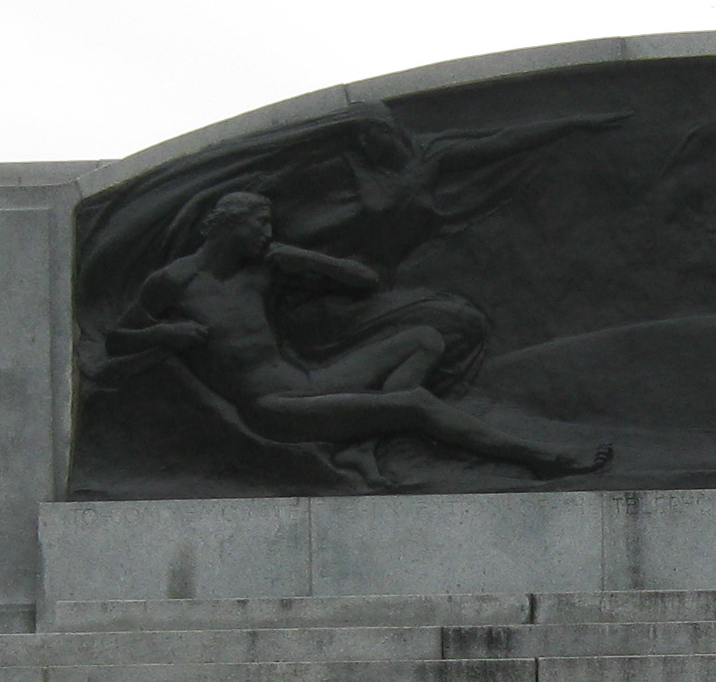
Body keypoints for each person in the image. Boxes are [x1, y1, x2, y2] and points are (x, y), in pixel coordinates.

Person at [99, 190, 611, 479]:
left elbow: (364, 281)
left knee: (425, 338)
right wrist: (165, 333)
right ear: (227, 226)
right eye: (260, 224)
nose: (268, 234)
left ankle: (373, 433)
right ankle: (541, 458)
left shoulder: (262, 273)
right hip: (272, 407)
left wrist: (305, 258)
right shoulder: (174, 281)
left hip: (310, 381)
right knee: (414, 403)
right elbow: (118, 338)